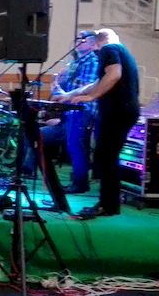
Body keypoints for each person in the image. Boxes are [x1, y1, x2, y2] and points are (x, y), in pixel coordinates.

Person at [64, 28, 140, 217]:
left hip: (117, 111)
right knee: (107, 156)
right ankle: (109, 204)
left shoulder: (109, 49)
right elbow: (99, 81)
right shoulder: (122, 51)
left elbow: (113, 75)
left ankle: (108, 205)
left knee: (106, 156)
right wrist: (70, 94)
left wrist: (92, 97)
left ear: (97, 43)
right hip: (125, 111)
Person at [47, 31, 99, 193]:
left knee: (76, 145)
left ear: (92, 43)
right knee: (71, 144)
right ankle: (76, 181)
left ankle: (80, 183)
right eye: (77, 38)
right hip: (71, 110)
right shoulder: (76, 62)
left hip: (82, 110)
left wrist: (64, 91)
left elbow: (86, 88)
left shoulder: (92, 62)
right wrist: (57, 85)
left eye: (82, 39)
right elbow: (65, 92)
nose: (78, 41)